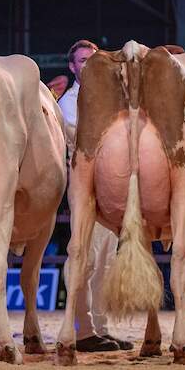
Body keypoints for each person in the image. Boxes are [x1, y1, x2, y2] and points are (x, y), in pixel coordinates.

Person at [57, 39, 130, 352]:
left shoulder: (113, 100)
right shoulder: (69, 103)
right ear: (73, 67)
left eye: (93, 60)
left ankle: (99, 326)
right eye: (82, 61)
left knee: (105, 259)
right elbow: (78, 141)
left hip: (111, 184)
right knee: (84, 255)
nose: (88, 65)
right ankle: (82, 328)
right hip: (84, 184)